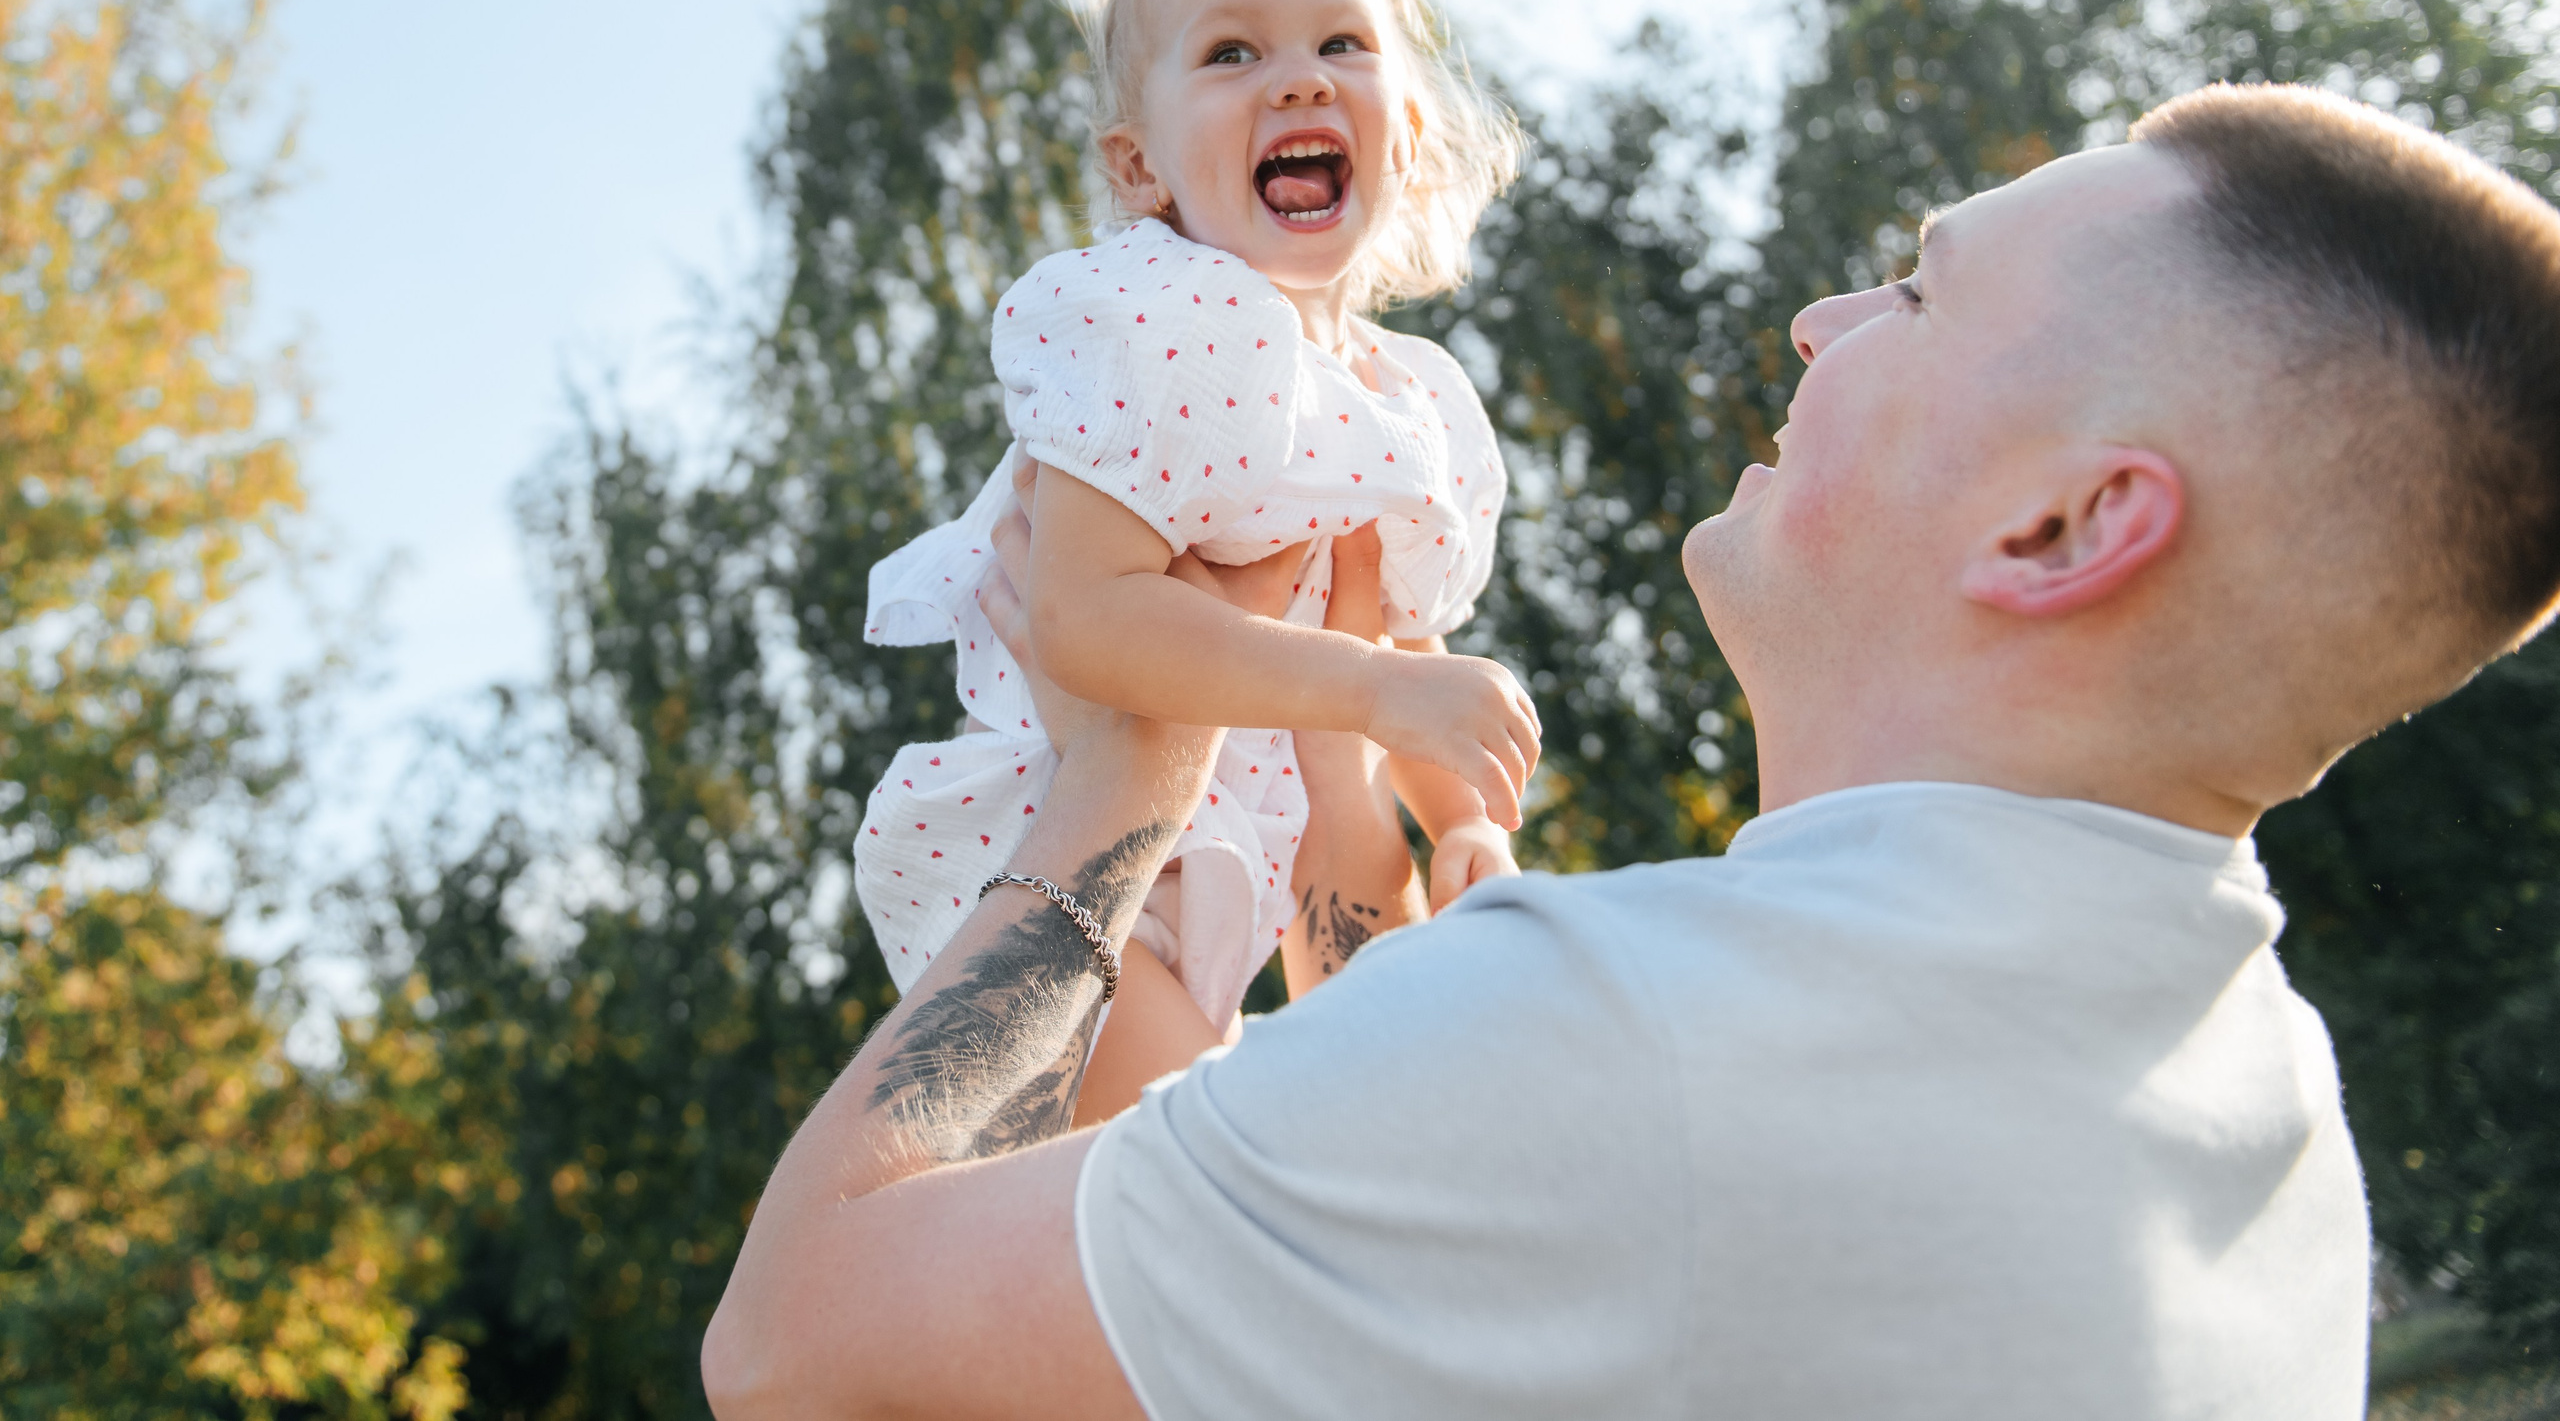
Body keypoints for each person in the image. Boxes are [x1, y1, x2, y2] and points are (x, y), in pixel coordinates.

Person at [703, 82, 2560, 1419]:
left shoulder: (1624, 1055)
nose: (1822, 323)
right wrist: (1430, 975)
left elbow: (795, 1346)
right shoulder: (2279, 1138)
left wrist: (1118, 792)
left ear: (2063, 530)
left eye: (1919, 295)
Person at [849, 0, 1536, 1122]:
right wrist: (1382, 691)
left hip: (1258, 857)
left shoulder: (1405, 398)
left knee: (1357, 1155)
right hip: (1068, 842)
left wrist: (1462, 827)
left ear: (1412, 128)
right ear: (1138, 168)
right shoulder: (1157, 325)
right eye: (1232, 54)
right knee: (1204, 1182)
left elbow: (1404, 643)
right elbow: (1088, 618)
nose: (1295, 82)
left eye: (1341, 43)